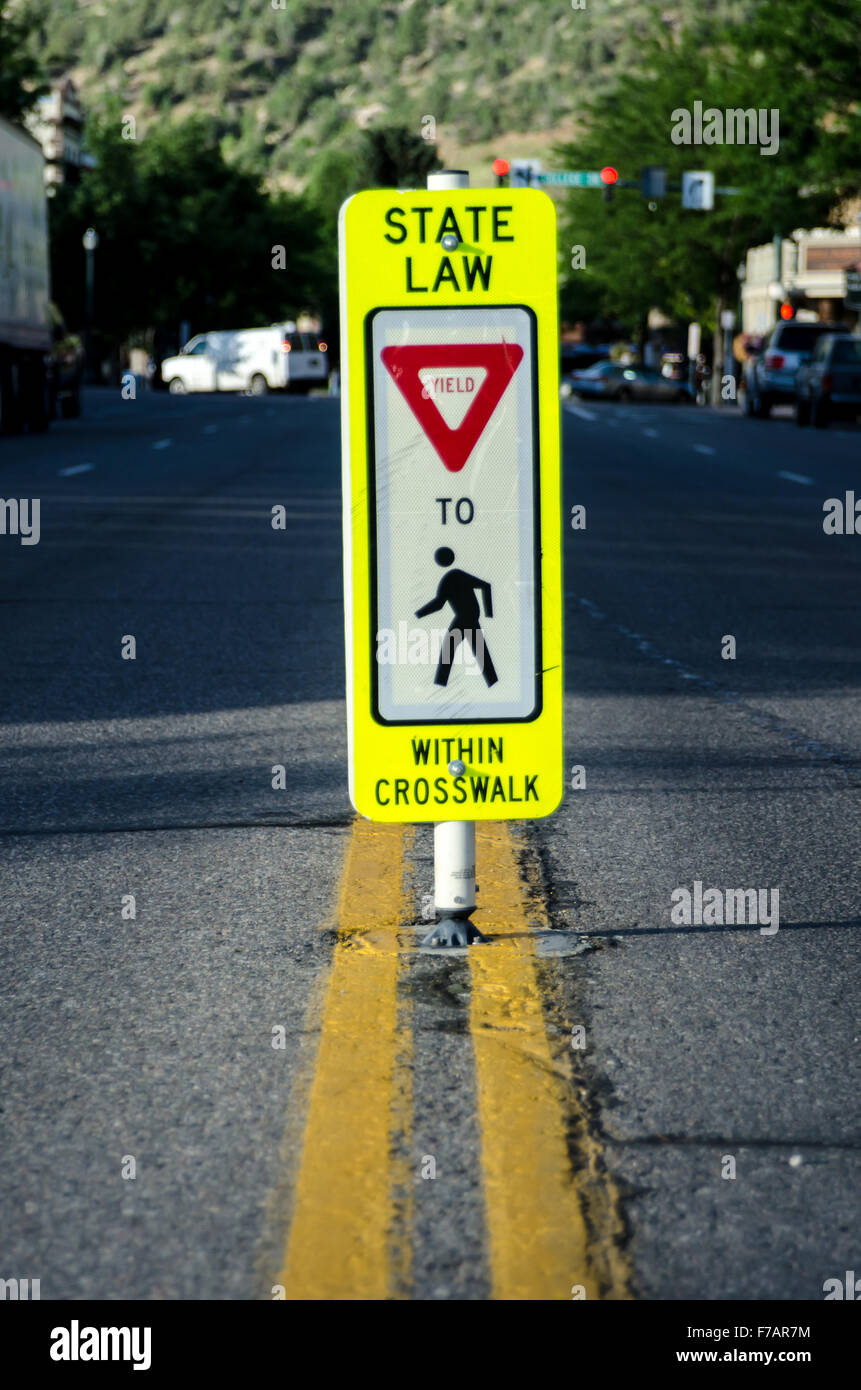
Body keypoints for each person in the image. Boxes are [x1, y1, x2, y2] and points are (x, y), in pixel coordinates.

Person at [415, 547, 498, 688]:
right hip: (467, 618)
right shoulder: (451, 578)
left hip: (466, 617)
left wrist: (489, 613)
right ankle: (492, 682)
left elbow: (485, 586)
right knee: (477, 651)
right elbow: (439, 604)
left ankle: (440, 684)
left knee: (451, 648)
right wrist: (419, 614)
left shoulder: (454, 576)